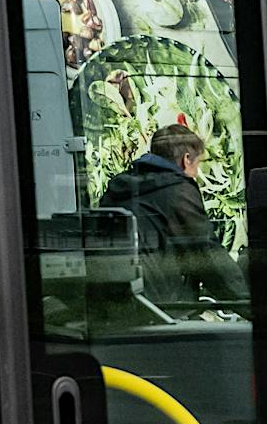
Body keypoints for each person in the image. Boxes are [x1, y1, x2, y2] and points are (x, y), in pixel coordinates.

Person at [102, 123, 248, 307]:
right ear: (186, 159)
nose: (196, 174)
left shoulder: (119, 188)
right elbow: (207, 256)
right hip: (164, 308)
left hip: (120, 305)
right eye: (198, 164)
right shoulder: (177, 191)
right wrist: (247, 304)